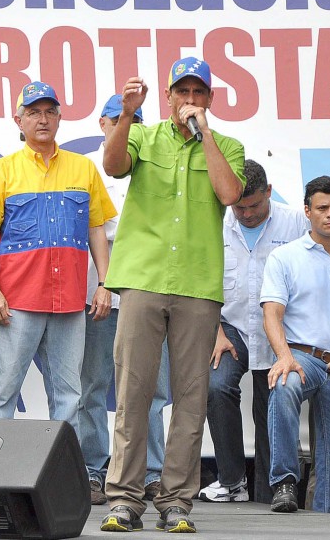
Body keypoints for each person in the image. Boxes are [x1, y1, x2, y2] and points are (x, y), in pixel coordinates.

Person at [100, 57, 245, 533]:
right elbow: (114, 164)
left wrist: (204, 134)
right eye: (181, 93)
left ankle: (177, 500)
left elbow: (228, 194)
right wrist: (125, 114)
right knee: (134, 392)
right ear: (167, 98)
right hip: (142, 279)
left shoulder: (227, 146)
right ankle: (124, 498)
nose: (189, 101)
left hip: (198, 286)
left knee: (190, 396)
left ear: (210, 99)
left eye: (198, 93)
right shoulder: (143, 135)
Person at [0, 81, 115, 434]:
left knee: (70, 396)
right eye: (34, 112)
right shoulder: (1, 171)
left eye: (50, 111)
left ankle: (63, 482)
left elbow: (97, 229)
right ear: (18, 121)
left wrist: (106, 285)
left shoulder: (84, 169)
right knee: (4, 392)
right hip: (17, 301)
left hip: (70, 300)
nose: (43, 119)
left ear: (60, 119)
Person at [78, 95, 170, 506]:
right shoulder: (85, 166)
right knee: (94, 387)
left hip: (146, 291)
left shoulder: (154, 163)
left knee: (149, 388)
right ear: (102, 123)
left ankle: (150, 472)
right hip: (96, 292)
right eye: (118, 119)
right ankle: (93, 471)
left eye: (134, 120)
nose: (126, 126)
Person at [201, 159, 306, 505]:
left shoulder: (297, 223)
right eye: (238, 207)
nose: (245, 214)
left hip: (280, 332)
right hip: (229, 328)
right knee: (216, 387)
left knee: (271, 409)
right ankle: (231, 481)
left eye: (254, 206)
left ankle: (270, 494)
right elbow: (200, 280)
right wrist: (215, 330)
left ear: (270, 193)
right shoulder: (213, 223)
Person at [261, 176, 330, 514]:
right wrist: (283, 357)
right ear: (307, 211)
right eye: (322, 208)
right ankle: (284, 481)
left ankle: (328, 527)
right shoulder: (284, 257)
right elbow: (272, 314)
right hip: (301, 357)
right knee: (284, 383)